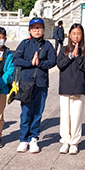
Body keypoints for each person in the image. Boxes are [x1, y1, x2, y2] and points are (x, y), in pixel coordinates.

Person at [14, 17, 57, 153]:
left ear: (43, 30)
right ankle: (23, 139)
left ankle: (34, 138)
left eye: (39, 28)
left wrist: (40, 63)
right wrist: (30, 63)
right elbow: (16, 60)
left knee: (38, 112)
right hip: (26, 83)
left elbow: (53, 61)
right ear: (30, 30)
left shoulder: (48, 45)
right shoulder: (24, 44)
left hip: (41, 83)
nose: (37, 30)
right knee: (26, 112)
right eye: (34, 28)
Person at [57, 23, 85, 155]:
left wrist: (77, 57)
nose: (76, 36)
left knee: (76, 116)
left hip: (78, 88)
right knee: (65, 116)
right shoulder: (63, 49)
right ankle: (65, 140)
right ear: (70, 35)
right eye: (74, 33)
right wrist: (70, 56)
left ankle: (74, 142)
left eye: (79, 34)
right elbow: (60, 64)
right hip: (65, 87)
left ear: (82, 36)